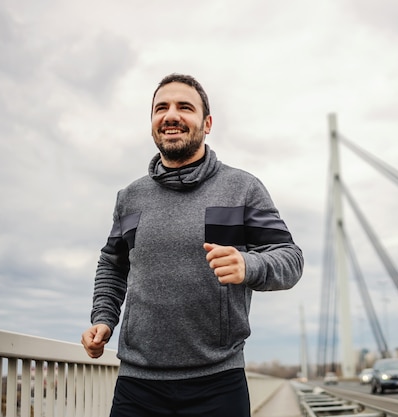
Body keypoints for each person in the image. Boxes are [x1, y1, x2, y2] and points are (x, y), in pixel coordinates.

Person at [81, 73, 304, 417]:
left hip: (218, 383)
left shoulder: (241, 188)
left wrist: (249, 265)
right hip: (137, 384)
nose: (171, 115)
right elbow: (113, 265)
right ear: (153, 123)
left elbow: (290, 259)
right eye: (161, 108)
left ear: (207, 123)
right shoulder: (130, 197)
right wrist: (103, 317)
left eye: (184, 107)